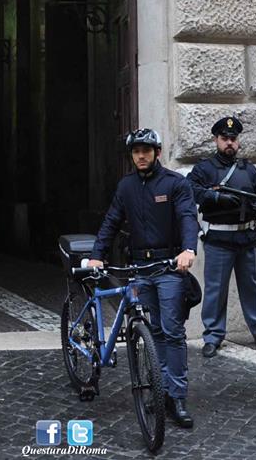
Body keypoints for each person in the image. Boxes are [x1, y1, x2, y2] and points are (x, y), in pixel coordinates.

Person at [87, 128, 198, 429]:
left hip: (169, 268)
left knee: (172, 331)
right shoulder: (126, 187)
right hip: (139, 269)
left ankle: (177, 397)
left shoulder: (176, 184)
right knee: (154, 333)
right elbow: (111, 221)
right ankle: (160, 390)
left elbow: (188, 216)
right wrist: (98, 253)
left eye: (146, 150)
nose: (141, 155)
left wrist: (189, 249)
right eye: (136, 151)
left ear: (157, 152)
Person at [187, 115, 256, 358]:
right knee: (215, 291)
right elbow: (189, 190)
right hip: (218, 239)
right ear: (216, 140)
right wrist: (215, 197)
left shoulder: (248, 169)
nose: (229, 142)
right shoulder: (204, 169)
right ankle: (212, 336)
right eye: (224, 138)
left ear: (238, 141)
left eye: (233, 138)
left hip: (247, 239)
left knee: (253, 290)